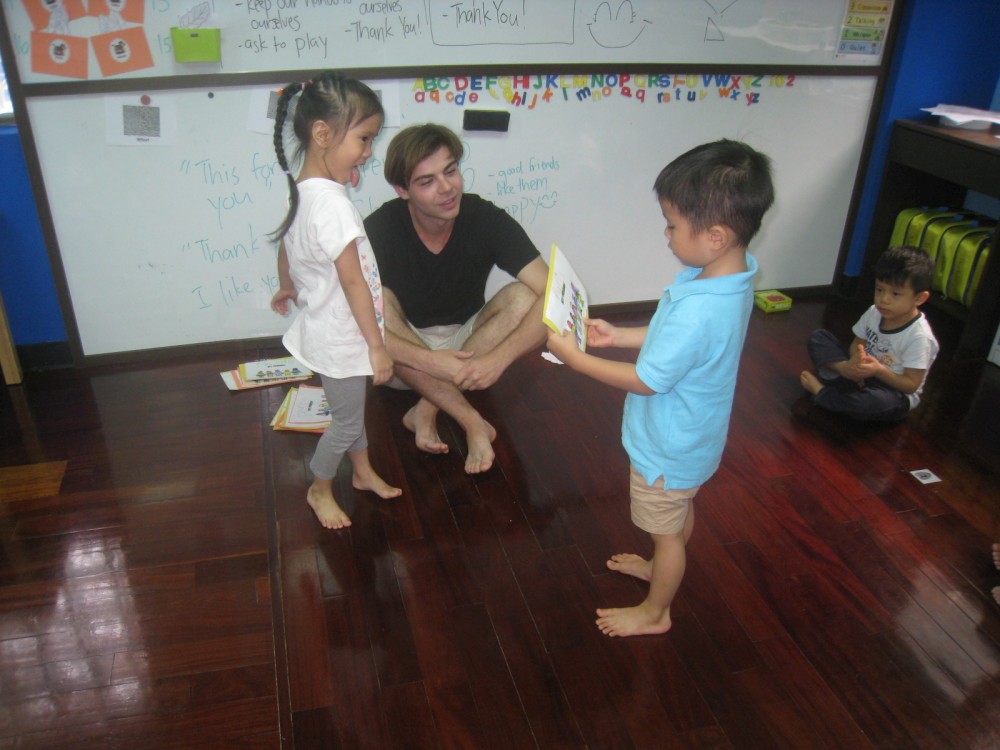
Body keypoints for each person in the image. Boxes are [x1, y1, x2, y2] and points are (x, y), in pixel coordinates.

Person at [547, 139, 774, 637]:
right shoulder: (730, 276)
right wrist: (619, 336)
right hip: (693, 438)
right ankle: (659, 566)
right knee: (676, 514)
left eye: (672, 224)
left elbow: (648, 380)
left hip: (668, 447)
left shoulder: (701, 308)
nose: (665, 233)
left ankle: (656, 611)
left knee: (665, 532)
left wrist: (577, 359)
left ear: (715, 236)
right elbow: (674, 340)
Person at [363, 124, 550, 474]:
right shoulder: (379, 228)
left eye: (450, 171)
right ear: (402, 190)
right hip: (406, 361)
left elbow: (559, 295)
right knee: (378, 302)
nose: (447, 188)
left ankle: (426, 407)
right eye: (427, 181)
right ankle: (472, 421)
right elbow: (355, 325)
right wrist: (429, 361)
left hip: (468, 350)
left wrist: (498, 359)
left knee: (526, 296)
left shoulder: (484, 217)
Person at [269, 71, 401, 530]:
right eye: (364, 139)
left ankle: (362, 472)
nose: (368, 152)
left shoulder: (302, 192)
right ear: (323, 134)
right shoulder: (334, 205)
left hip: (329, 328)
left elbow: (285, 243)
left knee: (350, 410)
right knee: (344, 422)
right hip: (344, 335)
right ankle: (319, 488)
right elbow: (353, 282)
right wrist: (377, 346)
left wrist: (286, 284)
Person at [800, 246, 939, 422]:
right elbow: (858, 343)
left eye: (895, 294)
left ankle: (823, 393)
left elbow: (910, 385)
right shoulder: (874, 312)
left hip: (892, 390)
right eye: (879, 289)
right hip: (861, 374)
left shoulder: (919, 337)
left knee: (874, 403)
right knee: (819, 338)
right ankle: (843, 376)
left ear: (919, 298)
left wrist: (879, 371)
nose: (884, 299)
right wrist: (852, 364)